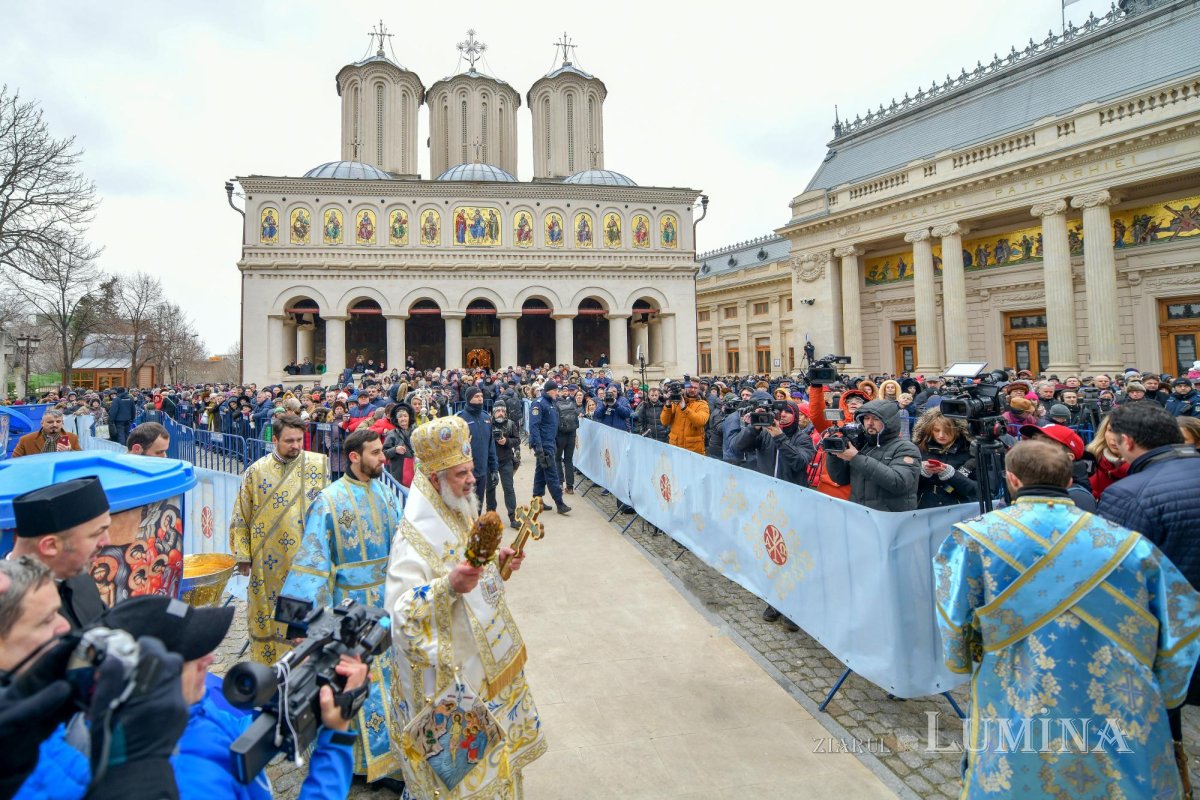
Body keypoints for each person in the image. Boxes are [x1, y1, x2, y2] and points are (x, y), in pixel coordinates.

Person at [935, 438, 1200, 798]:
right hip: (1116, 693)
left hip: (1015, 682)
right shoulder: (1129, 545)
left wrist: (962, 661)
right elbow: (1182, 620)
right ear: (1069, 480)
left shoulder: (974, 539)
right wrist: (1165, 693)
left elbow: (953, 618)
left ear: (1012, 480)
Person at [384, 417, 545, 798]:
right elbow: (398, 615)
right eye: (461, 474)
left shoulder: (458, 510)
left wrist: (498, 566)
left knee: (498, 770)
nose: (472, 480)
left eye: (471, 470)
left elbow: (473, 575)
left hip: (483, 671)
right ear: (435, 478)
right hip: (450, 686)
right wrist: (447, 587)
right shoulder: (412, 540)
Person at [279, 428, 405, 787]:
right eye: (376, 453)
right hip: (350, 609)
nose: (384, 459)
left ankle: (390, 759)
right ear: (354, 456)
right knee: (354, 680)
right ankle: (356, 764)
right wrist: (301, 624)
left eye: (382, 452)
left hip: (387, 603)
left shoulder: (386, 492)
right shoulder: (329, 501)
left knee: (389, 681)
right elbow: (312, 562)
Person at [2, 560, 190, 800]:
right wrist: (142, 770)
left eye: (58, 612)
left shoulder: (30, 718)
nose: (65, 626)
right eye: (46, 620)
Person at [228, 413, 329, 664]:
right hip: (266, 559)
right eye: (289, 441)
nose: (296, 446)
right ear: (275, 440)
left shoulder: (318, 465)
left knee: (302, 615)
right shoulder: (256, 471)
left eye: (299, 440)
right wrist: (243, 555)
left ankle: (300, 666)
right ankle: (269, 668)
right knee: (266, 613)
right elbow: (241, 514)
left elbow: (328, 509)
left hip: (305, 558)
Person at [8, 477, 112, 629]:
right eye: (97, 533)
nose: (107, 541)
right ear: (50, 546)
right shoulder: (8, 609)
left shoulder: (80, 579)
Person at [826, 399, 921, 511]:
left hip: (890, 516)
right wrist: (834, 454)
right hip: (860, 513)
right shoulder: (862, 445)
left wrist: (856, 458)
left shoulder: (906, 448)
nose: (870, 423)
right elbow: (840, 479)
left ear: (889, 422)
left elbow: (899, 483)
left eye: (876, 419)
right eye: (866, 418)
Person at [731, 400, 815, 484]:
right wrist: (754, 427)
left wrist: (780, 437)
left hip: (790, 488)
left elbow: (799, 463)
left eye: (788, 412)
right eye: (779, 411)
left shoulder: (803, 438)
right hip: (766, 487)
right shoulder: (764, 433)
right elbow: (737, 447)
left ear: (795, 416)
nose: (782, 414)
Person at [1017, 424, 1096, 511]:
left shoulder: (1078, 497)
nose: (1033, 447)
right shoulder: (1031, 482)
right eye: (1034, 440)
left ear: (1068, 457)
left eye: (1045, 444)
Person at [911, 410, 977, 508]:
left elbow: (981, 491)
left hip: (958, 508)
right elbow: (905, 486)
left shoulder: (970, 451)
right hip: (923, 507)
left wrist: (953, 475)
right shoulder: (919, 448)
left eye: (947, 431)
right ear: (929, 429)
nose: (941, 435)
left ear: (957, 430)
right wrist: (919, 471)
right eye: (936, 430)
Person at [529, 380, 570, 514]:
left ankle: (537, 502)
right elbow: (534, 426)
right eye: (555, 390)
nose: (557, 393)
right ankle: (560, 503)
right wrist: (538, 446)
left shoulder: (551, 403)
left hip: (549, 442)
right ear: (549, 391)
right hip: (544, 444)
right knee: (552, 474)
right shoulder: (539, 404)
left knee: (540, 473)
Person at [457, 386, 499, 513]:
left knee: (478, 506)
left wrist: (494, 469)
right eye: (476, 396)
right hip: (466, 473)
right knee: (466, 509)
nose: (480, 399)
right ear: (469, 399)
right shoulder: (460, 419)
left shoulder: (486, 417)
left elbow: (491, 446)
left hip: (482, 472)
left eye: (481, 396)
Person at [491, 402, 522, 528]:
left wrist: (507, 441)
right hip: (491, 462)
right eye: (498, 411)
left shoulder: (510, 424)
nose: (501, 413)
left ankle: (513, 517)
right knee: (490, 490)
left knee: (509, 489)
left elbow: (517, 440)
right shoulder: (488, 424)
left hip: (506, 461)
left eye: (503, 411)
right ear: (493, 412)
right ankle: (491, 518)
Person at [1084, 414, 1128, 501]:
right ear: (1104, 431)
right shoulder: (1090, 457)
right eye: (1110, 430)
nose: (1114, 438)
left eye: (1123, 432)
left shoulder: (1142, 467)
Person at [659, 380, 709, 455]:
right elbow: (664, 422)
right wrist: (668, 404)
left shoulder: (702, 404)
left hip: (693, 450)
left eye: (695, 388)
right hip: (675, 448)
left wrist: (684, 408)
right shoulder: (675, 402)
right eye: (690, 387)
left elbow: (700, 422)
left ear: (699, 389)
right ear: (685, 388)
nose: (692, 390)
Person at [11, 409, 81, 457]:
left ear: (62, 423)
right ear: (42, 423)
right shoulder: (26, 440)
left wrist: (70, 451)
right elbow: (15, 461)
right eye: (50, 422)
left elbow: (80, 459)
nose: (55, 425)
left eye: (58, 421)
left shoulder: (72, 437)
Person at [553, 384, 580, 494]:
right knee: (568, 460)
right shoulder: (571, 404)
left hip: (560, 435)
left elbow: (554, 422)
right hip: (571, 434)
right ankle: (570, 487)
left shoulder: (555, 405)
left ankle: (560, 483)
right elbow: (576, 420)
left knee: (557, 459)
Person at [382, 402, 416, 487]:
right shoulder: (392, 434)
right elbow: (384, 453)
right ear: (396, 419)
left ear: (409, 417)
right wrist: (395, 450)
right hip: (399, 475)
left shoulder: (416, 432)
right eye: (400, 416)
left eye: (405, 416)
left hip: (416, 470)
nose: (403, 419)